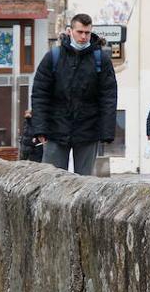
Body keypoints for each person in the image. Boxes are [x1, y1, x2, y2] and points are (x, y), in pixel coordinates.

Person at [30, 13, 117, 176]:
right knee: (52, 180)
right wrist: (40, 128)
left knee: (85, 183)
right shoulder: (53, 57)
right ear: (70, 31)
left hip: (88, 128)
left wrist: (107, 131)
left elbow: (108, 97)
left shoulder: (101, 60)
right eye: (80, 32)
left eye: (87, 33)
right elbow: (40, 94)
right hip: (56, 127)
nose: (83, 37)